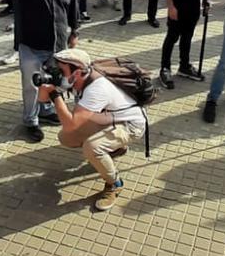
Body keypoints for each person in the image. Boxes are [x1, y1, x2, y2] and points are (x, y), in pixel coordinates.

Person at [39, 48, 145, 212]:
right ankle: (116, 147)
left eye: (61, 70)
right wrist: (47, 87)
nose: (58, 73)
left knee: (92, 148)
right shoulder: (77, 78)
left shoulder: (96, 88)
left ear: (78, 72)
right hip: (109, 119)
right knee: (67, 137)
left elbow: (70, 124)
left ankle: (114, 184)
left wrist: (54, 94)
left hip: (130, 125)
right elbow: (42, 99)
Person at [4, 0, 79, 143]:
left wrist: (75, 32)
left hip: (57, 45)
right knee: (31, 85)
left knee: (54, 81)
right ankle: (31, 121)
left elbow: (73, 7)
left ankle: (45, 110)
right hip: (31, 44)